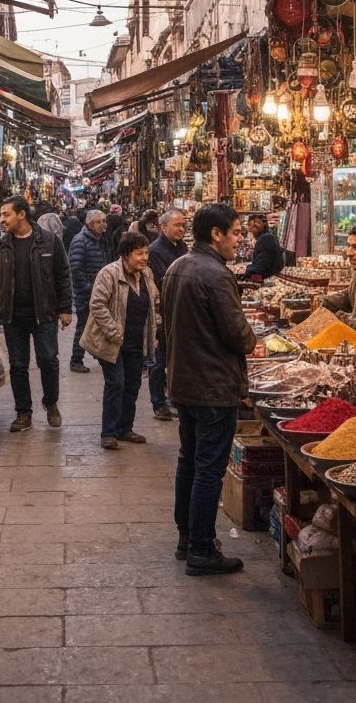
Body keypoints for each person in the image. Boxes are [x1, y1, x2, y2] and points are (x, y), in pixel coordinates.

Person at [163, 203, 256, 576]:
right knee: (208, 468)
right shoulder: (215, 274)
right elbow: (239, 335)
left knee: (190, 460)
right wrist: (250, 339)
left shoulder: (177, 266)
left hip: (184, 381)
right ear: (216, 234)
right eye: (235, 232)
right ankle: (202, 548)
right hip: (213, 385)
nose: (239, 239)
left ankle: (187, 537)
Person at [0, 196, 73, 431]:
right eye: (1, 215)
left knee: (48, 360)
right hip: (13, 315)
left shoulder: (49, 241)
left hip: (44, 313)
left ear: (21, 214)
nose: (1, 219)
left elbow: (63, 275)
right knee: (18, 365)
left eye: (6, 214)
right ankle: (23, 413)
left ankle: (51, 404)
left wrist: (65, 308)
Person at [81, 232, 159, 449]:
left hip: (136, 341)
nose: (144, 258)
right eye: (139, 253)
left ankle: (125, 428)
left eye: (146, 253)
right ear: (126, 255)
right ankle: (109, 431)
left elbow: (154, 303)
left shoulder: (147, 275)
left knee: (133, 384)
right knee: (116, 383)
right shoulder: (109, 274)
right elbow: (97, 305)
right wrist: (114, 331)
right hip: (111, 341)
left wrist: (154, 330)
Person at [148, 208, 187, 421]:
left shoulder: (182, 247)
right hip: (162, 314)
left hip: (179, 312)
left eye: (183, 225)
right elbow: (160, 283)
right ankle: (158, 402)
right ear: (164, 227)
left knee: (175, 359)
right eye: (177, 225)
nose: (181, 229)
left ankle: (174, 397)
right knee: (159, 361)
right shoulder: (154, 251)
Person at [67, 210, 115, 373]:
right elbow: (76, 269)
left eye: (104, 221)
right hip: (85, 294)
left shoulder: (102, 240)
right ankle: (76, 360)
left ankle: (99, 354)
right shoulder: (80, 241)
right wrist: (89, 288)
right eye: (98, 222)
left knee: (98, 324)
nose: (103, 224)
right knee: (83, 326)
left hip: (101, 291)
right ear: (89, 224)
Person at [243, 213, 284, 280]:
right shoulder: (268, 237)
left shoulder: (265, 239)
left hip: (267, 280)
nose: (250, 231)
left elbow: (260, 267)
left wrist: (246, 270)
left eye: (250, 228)